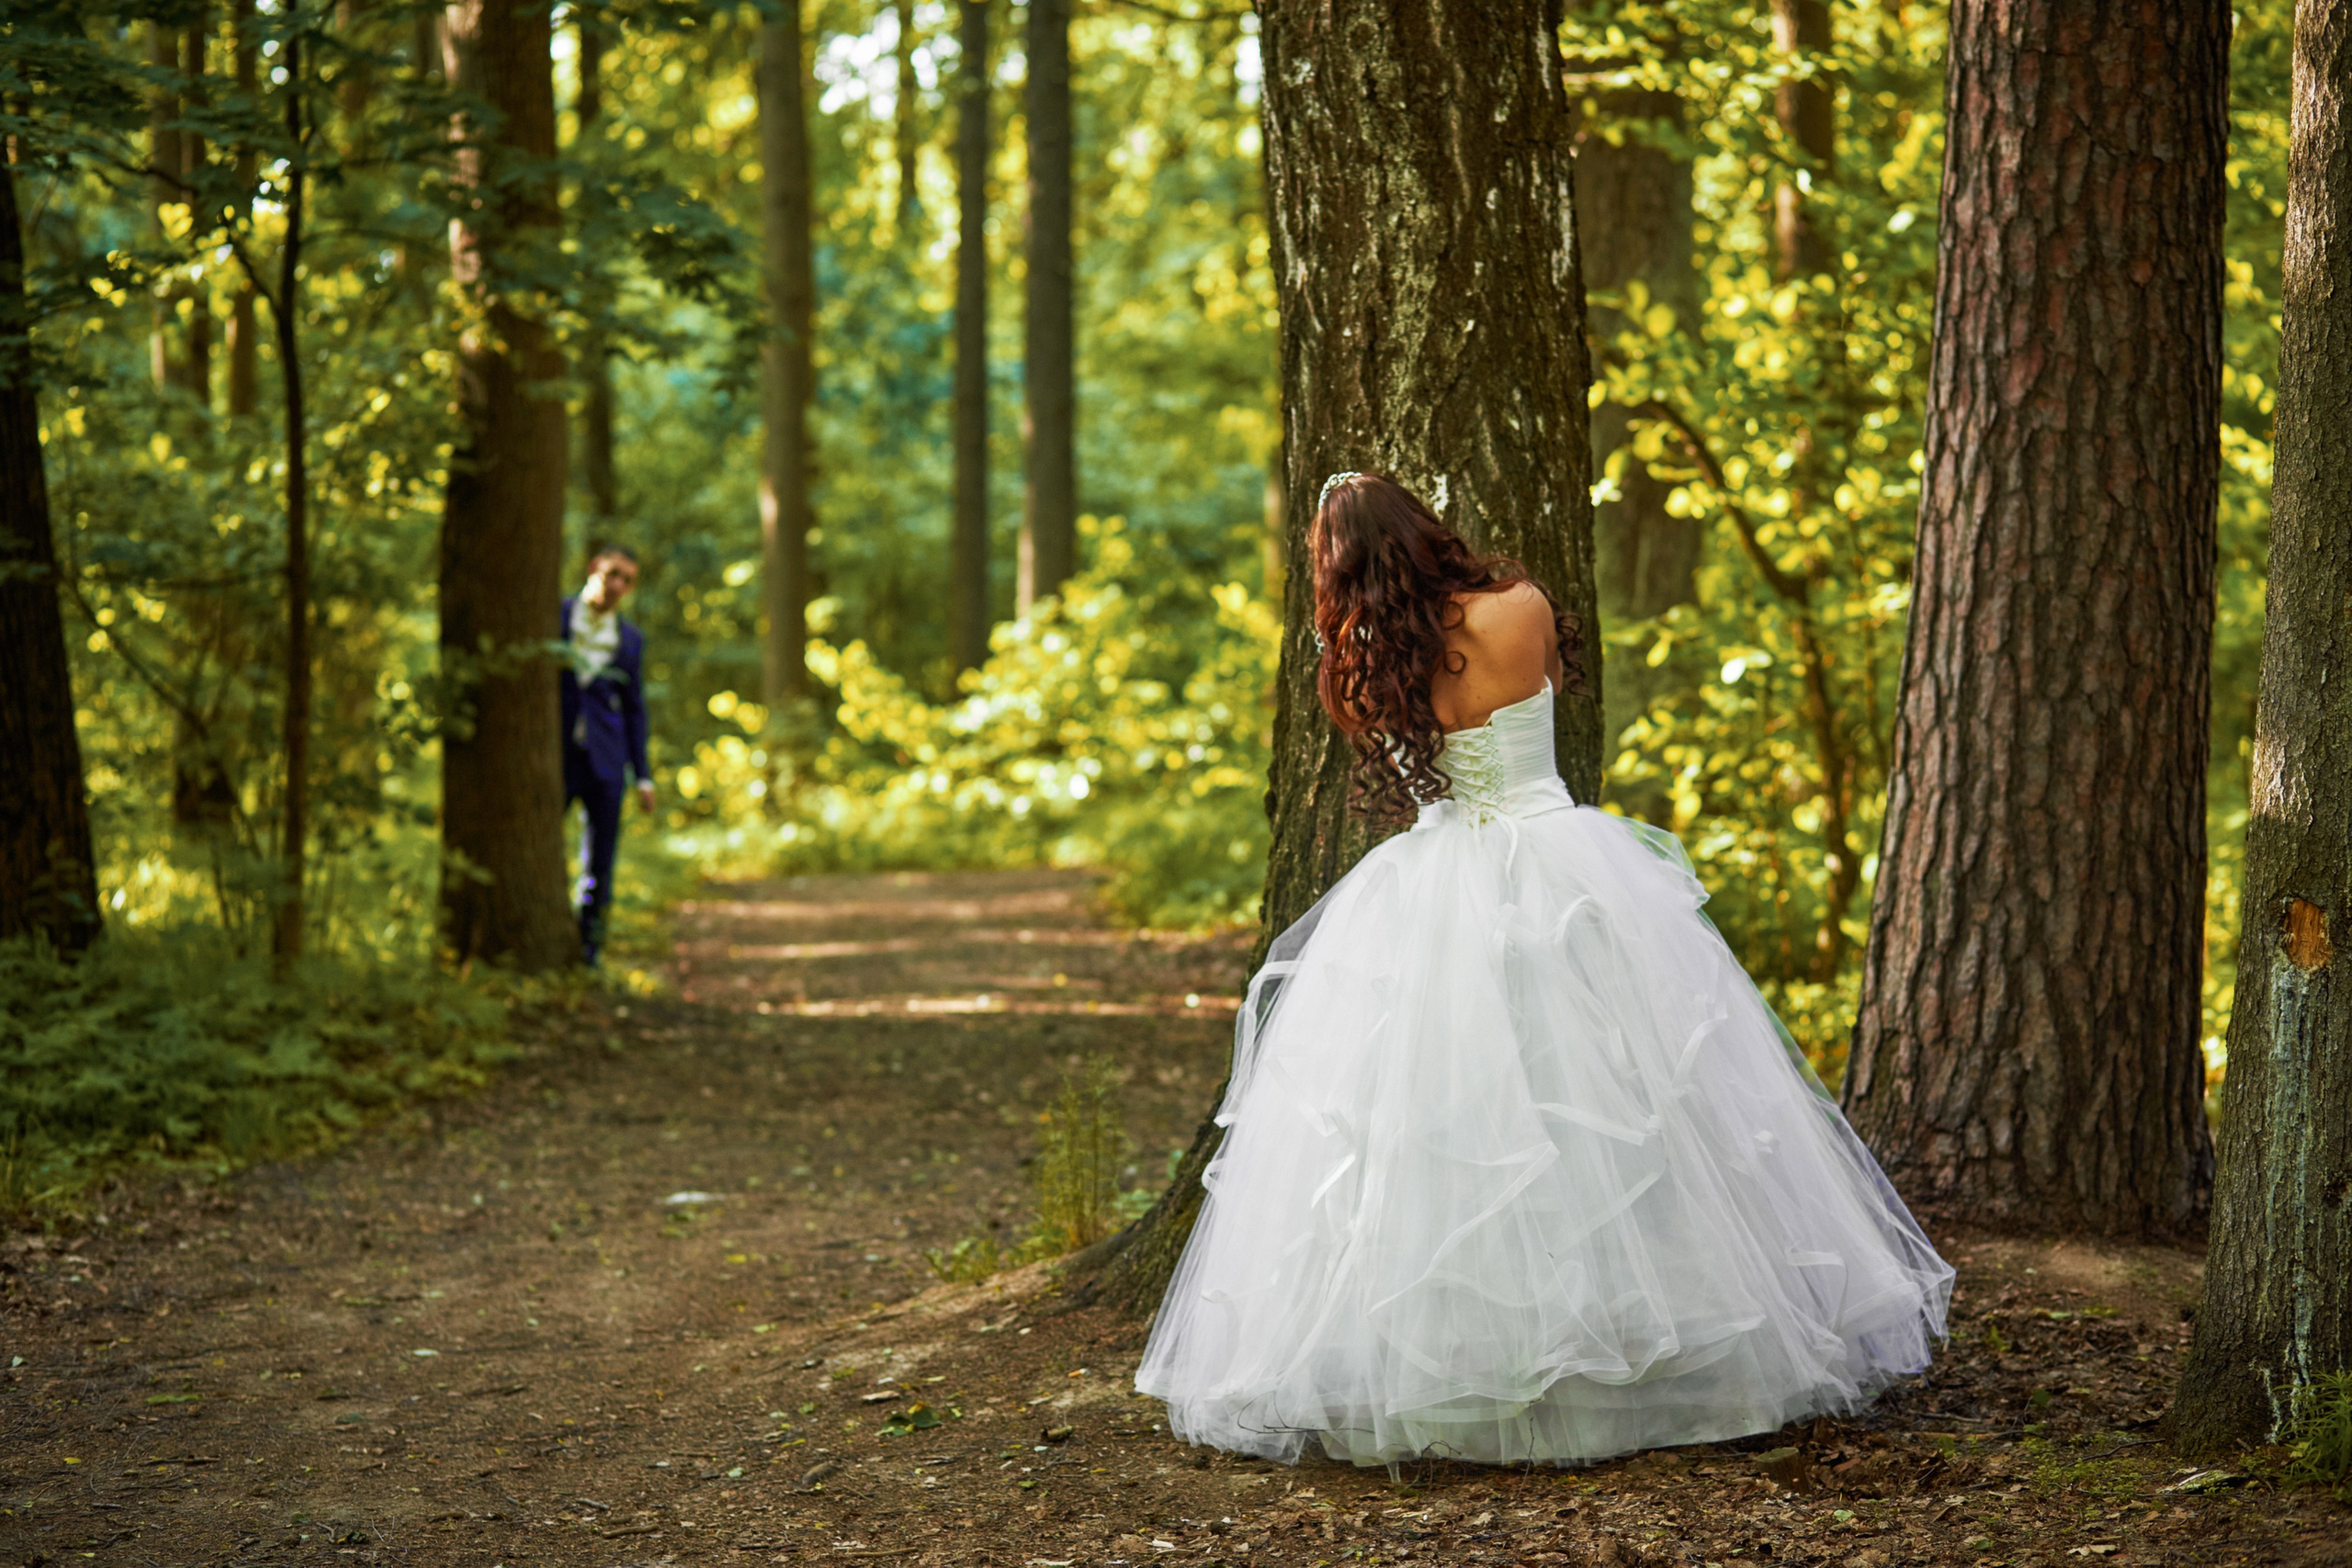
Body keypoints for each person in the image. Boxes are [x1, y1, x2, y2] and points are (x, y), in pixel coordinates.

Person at [1135, 473, 1952, 1469]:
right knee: (1623, 1103)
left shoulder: (1359, 662)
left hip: (1430, 885)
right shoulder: (1518, 609)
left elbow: (1410, 761)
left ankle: (1464, 1371)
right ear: (1427, 528)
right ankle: (1649, 1355)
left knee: (1442, 1122)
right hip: (1560, 865)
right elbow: (1537, 702)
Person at [560, 546, 655, 966]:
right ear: (594, 568)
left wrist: (644, 775)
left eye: (628, 580)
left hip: (607, 761)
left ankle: (589, 950)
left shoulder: (630, 639)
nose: (618, 585)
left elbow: (635, 709)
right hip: (557, 755)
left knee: (601, 861)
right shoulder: (555, 617)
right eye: (613, 573)